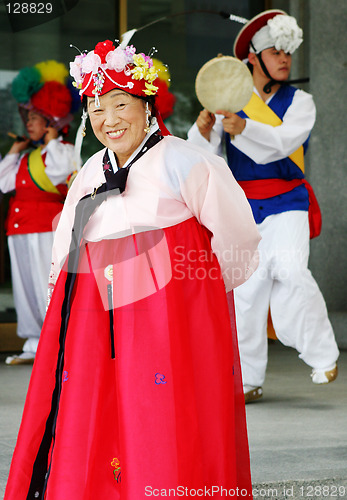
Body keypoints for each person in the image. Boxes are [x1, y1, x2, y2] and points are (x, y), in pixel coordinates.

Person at [4, 40, 260, 499]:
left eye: (120, 104)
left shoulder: (187, 161)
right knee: (93, 417)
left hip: (171, 319)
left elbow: (236, 235)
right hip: (92, 320)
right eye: (97, 109)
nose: (108, 119)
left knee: (162, 420)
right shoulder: (88, 174)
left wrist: (198, 304)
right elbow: (64, 252)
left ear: (147, 106)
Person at [187, 10, 339, 403]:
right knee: (247, 291)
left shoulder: (301, 101)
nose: (285, 59)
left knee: (290, 270)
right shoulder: (229, 102)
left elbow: (284, 143)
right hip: (242, 206)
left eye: (288, 51)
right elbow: (202, 156)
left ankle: (322, 353)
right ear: (252, 58)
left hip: (288, 200)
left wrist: (246, 128)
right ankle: (247, 379)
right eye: (276, 51)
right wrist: (204, 130)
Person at [0, 60, 78, 365]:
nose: (28, 123)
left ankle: (55, 343)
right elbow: (4, 182)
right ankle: (33, 343)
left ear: (50, 121)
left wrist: (54, 138)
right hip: (19, 227)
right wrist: (14, 151)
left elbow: (61, 171)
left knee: (47, 285)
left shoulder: (63, 151)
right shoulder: (26, 156)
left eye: (35, 118)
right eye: (28, 118)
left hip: (47, 227)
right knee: (25, 287)